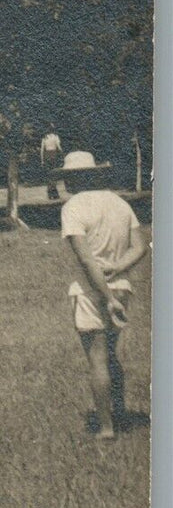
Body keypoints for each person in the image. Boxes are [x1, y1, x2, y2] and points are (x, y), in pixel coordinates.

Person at [56, 150, 147, 440]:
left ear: (72, 178)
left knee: (96, 359)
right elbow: (140, 247)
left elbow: (86, 259)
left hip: (91, 289)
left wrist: (105, 295)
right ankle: (119, 415)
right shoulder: (119, 203)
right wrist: (116, 270)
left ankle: (106, 427)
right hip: (121, 286)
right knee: (110, 354)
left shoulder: (73, 207)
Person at [41, 130, 64, 200]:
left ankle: (50, 193)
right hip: (53, 155)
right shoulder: (55, 137)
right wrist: (62, 155)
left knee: (49, 175)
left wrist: (42, 160)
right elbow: (59, 147)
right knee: (54, 174)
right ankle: (54, 193)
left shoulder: (44, 138)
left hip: (47, 155)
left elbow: (42, 150)